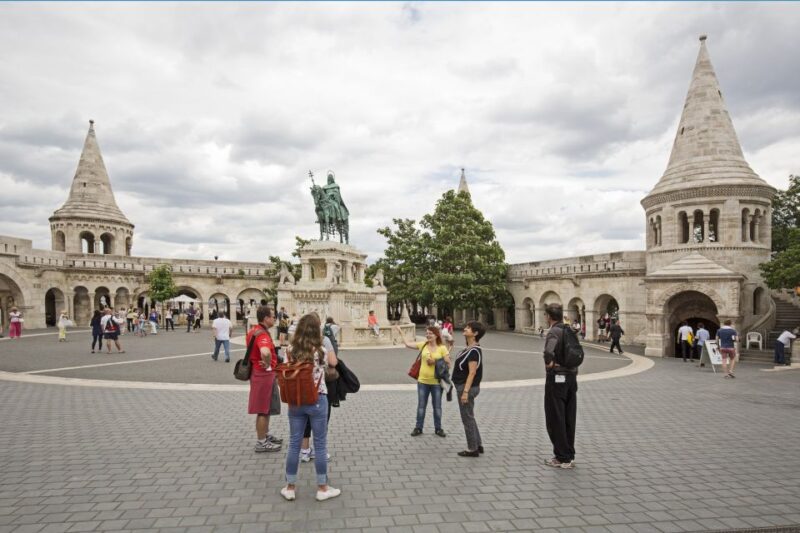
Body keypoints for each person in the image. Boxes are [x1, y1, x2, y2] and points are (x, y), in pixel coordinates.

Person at [282, 313, 341, 502]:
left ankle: (290, 487)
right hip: (317, 398)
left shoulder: (290, 349)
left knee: (294, 443)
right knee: (321, 444)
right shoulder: (320, 349)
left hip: (296, 401)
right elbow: (334, 363)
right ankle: (322, 488)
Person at [395, 324, 451, 437]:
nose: (428, 335)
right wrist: (400, 331)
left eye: (430, 333)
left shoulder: (442, 348)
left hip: (436, 383)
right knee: (421, 406)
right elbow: (407, 344)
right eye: (427, 333)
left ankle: (438, 429)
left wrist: (434, 362)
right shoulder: (423, 345)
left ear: (436, 335)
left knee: (437, 407)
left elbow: (448, 364)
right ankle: (418, 428)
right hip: (423, 382)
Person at [542, 303, 577, 469]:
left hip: (557, 378)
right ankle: (569, 454)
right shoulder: (568, 329)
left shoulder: (554, 331)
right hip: (571, 377)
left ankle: (561, 457)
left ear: (549, 317)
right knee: (569, 416)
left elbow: (549, 351)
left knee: (555, 417)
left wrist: (549, 363)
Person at [300, 315, 338, 463]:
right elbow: (333, 362)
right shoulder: (323, 341)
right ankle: (317, 450)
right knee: (321, 419)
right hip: (320, 387)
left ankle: (304, 451)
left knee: (304, 419)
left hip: (300, 388)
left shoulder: (296, 343)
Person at [247, 306, 283, 453]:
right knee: (262, 409)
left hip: (258, 374)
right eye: (273, 316)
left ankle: (265, 435)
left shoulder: (254, 330)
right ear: (266, 318)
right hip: (263, 375)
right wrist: (268, 362)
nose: (274, 318)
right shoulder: (262, 334)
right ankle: (261, 442)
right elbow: (265, 351)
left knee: (266, 409)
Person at [452, 321, 485, 457]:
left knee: (467, 419)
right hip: (464, 387)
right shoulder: (468, 349)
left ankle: (472, 449)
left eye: (468, 328)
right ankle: (478, 444)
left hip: (466, 388)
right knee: (470, 416)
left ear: (475, 333)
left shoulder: (474, 351)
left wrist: (465, 392)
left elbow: (472, 373)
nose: (465, 329)